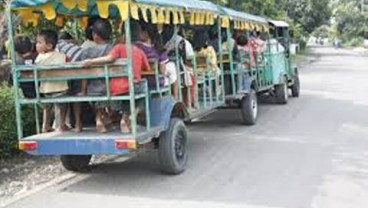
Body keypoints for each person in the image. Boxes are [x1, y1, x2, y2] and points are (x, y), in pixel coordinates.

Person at [82, 26, 151, 133]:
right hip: (131, 86)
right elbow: (147, 68)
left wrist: (91, 61)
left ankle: (119, 119)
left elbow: (109, 58)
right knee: (144, 91)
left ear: (123, 36)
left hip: (114, 88)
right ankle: (130, 116)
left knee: (123, 96)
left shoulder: (118, 47)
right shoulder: (139, 51)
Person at [75, 19, 114, 133]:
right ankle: (103, 118)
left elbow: (84, 75)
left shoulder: (87, 52)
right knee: (103, 90)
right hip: (111, 87)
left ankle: (100, 119)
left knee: (95, 90)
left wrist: (83, 90)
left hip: (93, 89)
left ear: (95, 36)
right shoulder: (113, 49)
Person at [35, 30, 68, 133]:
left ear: (49, 46)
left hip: (45, 90)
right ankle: (61, 125)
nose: (36, 45)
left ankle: (45, 125)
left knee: (47, 107)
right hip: (60, 88)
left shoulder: (39, 58)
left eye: (39, 43)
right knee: (62, 105)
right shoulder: (61, 55)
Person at [134, 23, 179, 99]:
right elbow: (162, 70)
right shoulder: (159, 49)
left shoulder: (135, 47)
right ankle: (175, 98)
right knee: (172, 67)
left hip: (139, 80)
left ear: (146, 33)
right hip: (155, 81)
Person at [162, 26, 196, 108]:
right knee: (191, 76)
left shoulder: (163, 42)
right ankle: (189, 102)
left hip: (167, 70)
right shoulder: (183, 42)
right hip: (180, 69)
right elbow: (189, 59)